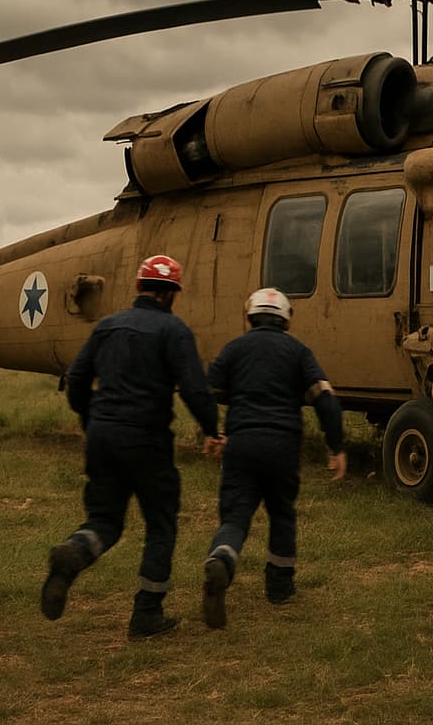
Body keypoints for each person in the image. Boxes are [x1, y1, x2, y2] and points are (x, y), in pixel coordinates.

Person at [40, 254, 221, 639]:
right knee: (160, 525)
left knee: (104, 521)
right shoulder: (174, 331)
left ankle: (74, 553)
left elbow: (76, 378)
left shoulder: (107, 326)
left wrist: (90, 419)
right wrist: (212, 429)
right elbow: (193, 388)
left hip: (103, 437)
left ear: (140, 287)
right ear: (172, 294)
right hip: (147, 441)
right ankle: (146, 616)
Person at [200, 288, 346, 629]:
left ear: (250, 316)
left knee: (235, 518)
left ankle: (222, 558)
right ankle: (280, 588)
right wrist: (336, 447)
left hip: (241, 445)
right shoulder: (298, 351)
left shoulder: (235, 348)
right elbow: (324, 397)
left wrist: (212, 432)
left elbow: (207, 389)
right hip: (282, 447)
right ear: (286, 318)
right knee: (282, 513)